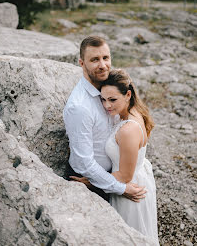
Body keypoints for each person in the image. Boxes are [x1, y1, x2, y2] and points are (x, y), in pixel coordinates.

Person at [63, 35, 146, 202]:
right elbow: (84, 163)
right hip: (88, 182)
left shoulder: (111, 89)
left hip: (113, 176)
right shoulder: (80, 106)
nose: (103, 65)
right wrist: (121, 188)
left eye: (105, 58)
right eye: (94, 59)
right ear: (81, 63)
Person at [100, 68, 159, 244]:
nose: (107, 105)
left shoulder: (128, 129)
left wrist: (91, 181)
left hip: (129, 189)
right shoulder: (131, 112)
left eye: (112, 100)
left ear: (127, 94)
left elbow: (125, 175)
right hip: (136, 179)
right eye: (103, 99)